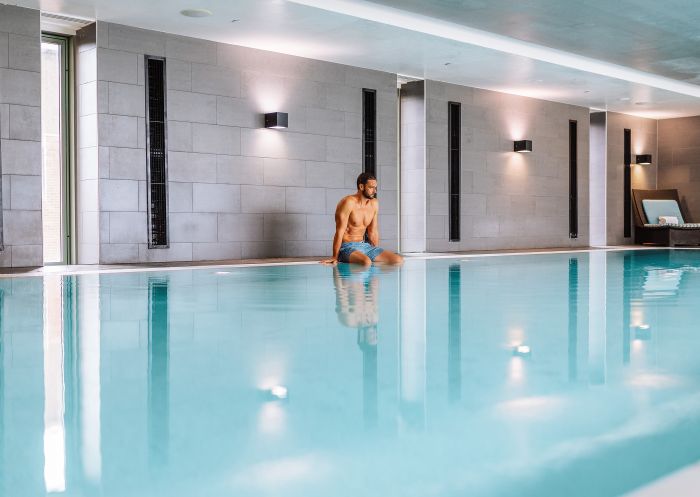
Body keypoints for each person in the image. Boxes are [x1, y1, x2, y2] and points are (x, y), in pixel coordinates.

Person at [321, 173, 403, 266]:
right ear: (361, 186)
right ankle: (344, 258)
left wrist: (374, 251)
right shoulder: (348, 202)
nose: (374, 191)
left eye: (375, 188)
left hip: (364, 246)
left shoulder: (374, 204)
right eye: (371, 187)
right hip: (347, 247)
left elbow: (373, 231)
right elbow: (339, 231)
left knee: (398, 260)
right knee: (366, 262)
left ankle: (371, 274)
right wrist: (334, 256)